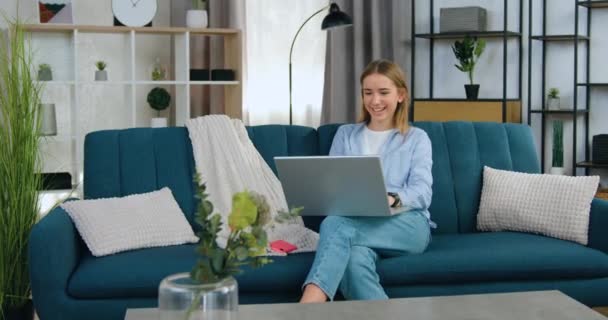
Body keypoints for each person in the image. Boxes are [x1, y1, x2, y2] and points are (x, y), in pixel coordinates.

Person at [299, 59, 434, 303]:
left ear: (401, 95)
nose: (375, 101)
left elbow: (423, 191)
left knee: (334, 225)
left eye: (384, 92)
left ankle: (308, 307)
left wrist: (393, 198)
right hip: (358, 222)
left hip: (408, 224)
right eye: (368, 93)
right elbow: (331, 182)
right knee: (353, 260)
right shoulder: (345, 134)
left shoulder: (417, 138)